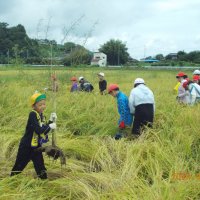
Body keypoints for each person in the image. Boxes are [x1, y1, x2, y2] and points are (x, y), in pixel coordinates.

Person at [10, 92, 57, 179]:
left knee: (40, 166)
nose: (43, 106)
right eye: (40, 105)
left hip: (36, 147)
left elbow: (44, 131)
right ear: (33, 106)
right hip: (26, 147)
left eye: (44, 104)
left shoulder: (41, 115)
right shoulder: (32, 114)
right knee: (19, 166)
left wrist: (50, 120)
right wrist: (50, 126)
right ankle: (11, 180)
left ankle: (44, 182)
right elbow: (39, 130)